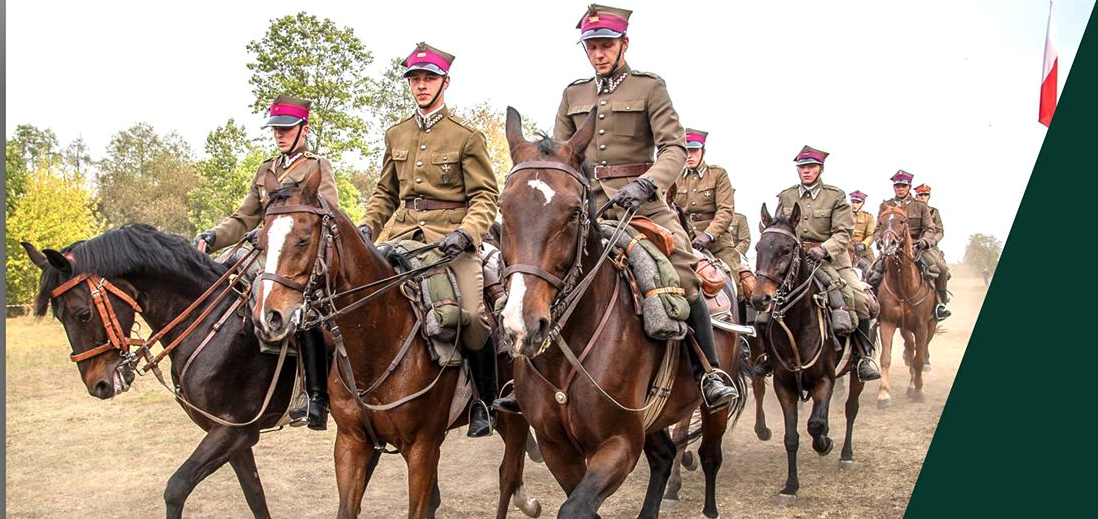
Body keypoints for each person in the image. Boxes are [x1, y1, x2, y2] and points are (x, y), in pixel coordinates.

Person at [533, 4, 738, 410]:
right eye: (592, 47)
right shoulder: (572, 94)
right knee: (537, 268)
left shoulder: (649, 88)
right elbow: (558, 155)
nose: (599, 54)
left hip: (643, 205)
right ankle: (527, 372)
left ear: (624, 44)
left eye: (606, 45)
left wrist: (647, 183)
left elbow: (675, 147)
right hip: (587, 207)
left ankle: (709, 370)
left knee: (683, 270)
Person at [356, 42, 500, 437]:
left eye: (429, 78)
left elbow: (486, 196)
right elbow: (385, 193)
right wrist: (368, 226)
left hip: (450, 240)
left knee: (471, 316)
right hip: (401, 236)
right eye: (416, 79)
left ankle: (486, 402)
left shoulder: (466, 137)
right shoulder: (396, 133)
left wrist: (467, 233)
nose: (421, 86)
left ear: (445, 83)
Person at [193, 94, 338, 430]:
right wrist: (214, 236)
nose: (280, 134)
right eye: (276, 129)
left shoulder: (317, 167)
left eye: (287, 128)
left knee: (306, 312)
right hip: (264, 251)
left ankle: (313, 395)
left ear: (304, 129)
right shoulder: (265, 170)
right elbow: (244, 217)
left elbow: (328, 215)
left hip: (300, 255)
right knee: (222, 283)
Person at [768, 146, 880, 381]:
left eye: (811, 167)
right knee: (766, 298)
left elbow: (843, 232)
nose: (806, 171)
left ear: (820, 168)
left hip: (832, 261)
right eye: (802, 167)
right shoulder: (786, 196)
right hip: (795, 261)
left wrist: (824, 249)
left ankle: (863, 356)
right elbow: (778, 227)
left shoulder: (836, 196)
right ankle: (768, 356)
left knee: (859, 299)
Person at [867, 172, 950, 320]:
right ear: (894, 187)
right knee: (871, 272)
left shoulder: (920, 206)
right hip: (892, 248)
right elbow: (877, 230)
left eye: (903, 186)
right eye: (898, 186)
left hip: (919, 247)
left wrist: (925, 242)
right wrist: (880, 241)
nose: (900, 189)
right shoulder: (886, 206)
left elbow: (930, 228)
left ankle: (940, 305)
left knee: (941, 269)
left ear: (909, 187)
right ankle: (872, 309)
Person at [849, 190, 876, 269]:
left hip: (862, 249)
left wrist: (864, 244)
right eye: (853, 202)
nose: (855, 205)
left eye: (858, 202)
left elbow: (871, 235)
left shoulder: (868, 216)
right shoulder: (844, 214)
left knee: (873, 270)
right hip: (847, 247)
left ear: (863, 203)